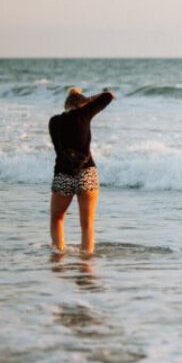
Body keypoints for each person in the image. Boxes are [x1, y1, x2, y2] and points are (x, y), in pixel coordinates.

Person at [49, 87, 114, 256]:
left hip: (63, 174)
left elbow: (58, 147)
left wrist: (75, 95)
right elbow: (109, 96)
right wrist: (90, 100)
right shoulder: (85, 114)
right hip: (87, 173)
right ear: (83, 105)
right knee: (87, 224)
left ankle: (58, 256)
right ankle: (86, 262)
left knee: (57, 218)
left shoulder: (54, 122)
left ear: (66, 105)